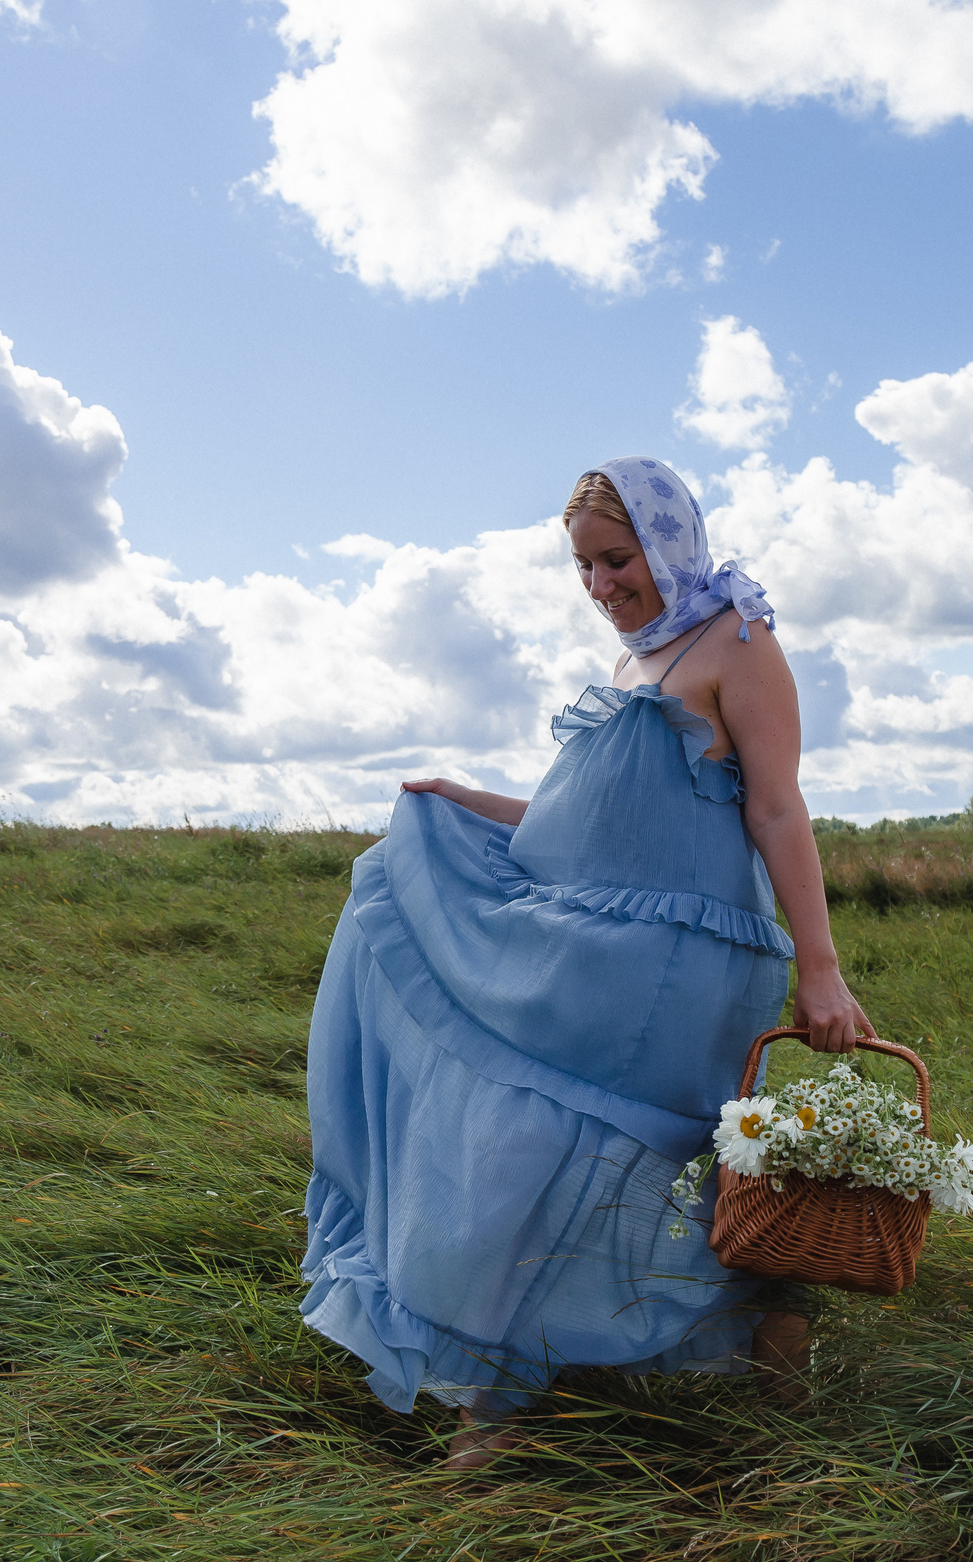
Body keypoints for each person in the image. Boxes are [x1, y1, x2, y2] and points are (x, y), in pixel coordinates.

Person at [298, 456, 871, 1469]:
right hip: (597, 940)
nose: (603, 586)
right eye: (584, 568)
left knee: (550, 1154)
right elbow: (583, 828)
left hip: (682, 957)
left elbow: (776, 808)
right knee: (560, 1157)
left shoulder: (739, 643)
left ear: (669, 542)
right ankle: (755, 1325)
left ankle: (504, 1403)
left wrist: (819, 970)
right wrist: (462, 800)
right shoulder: (630, 666)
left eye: (618, 560)